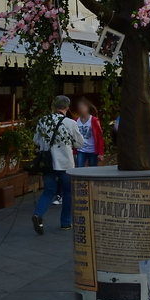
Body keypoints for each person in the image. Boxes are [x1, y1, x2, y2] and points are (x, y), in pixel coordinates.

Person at [32, 95, 83, 235]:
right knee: (67, 192)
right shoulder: (70, 123)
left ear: (53, 107)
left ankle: (38, 214)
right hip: (65, 163)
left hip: (47, 163)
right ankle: (65, 223)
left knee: (49, 191)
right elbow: (79, 143)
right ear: (67, 108)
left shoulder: (43, 120)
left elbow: (36, 140)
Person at [73, 98, 105, 167]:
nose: (81, 110)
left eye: (83, 107)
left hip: (92, 150)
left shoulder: (94, 120)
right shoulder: (75, 121)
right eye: (80, 108)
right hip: (81, 150)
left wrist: (101, 153)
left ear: (87, 108)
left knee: (92, 169)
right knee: (79, 168)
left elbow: (100, 136)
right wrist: (74, 152)